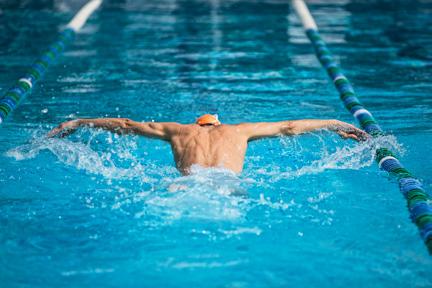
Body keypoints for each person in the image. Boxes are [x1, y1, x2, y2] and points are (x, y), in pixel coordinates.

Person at [48, 114, 368, 175]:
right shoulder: (240, 130)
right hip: (228, 187)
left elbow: (126, 126)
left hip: (187, 186)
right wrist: (334, 123)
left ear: (196, 124)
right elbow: (289, 127)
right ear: (218, 123)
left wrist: (79, 122)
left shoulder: (178, 131)